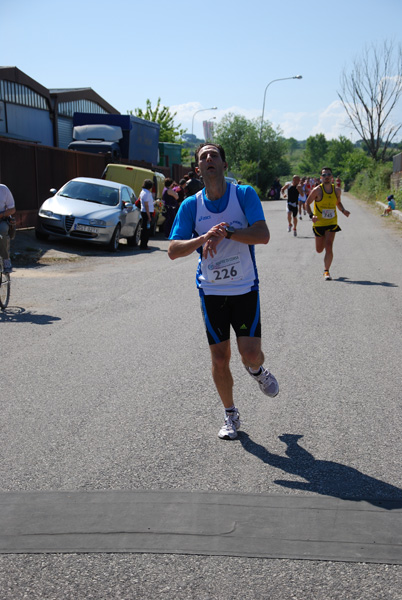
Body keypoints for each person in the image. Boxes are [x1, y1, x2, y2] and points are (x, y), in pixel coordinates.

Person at [168, 143, 279, 441]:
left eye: (214, 155)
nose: (208, 159)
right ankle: (230, 414)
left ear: (224, 165)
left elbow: (263, 235)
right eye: (203, 157)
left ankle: (258, 372)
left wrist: (227, 232)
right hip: (211, 290)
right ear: (197, 170)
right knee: (220, 358)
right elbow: (173, 250)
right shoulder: (191, 205)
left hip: (244, 287)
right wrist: (203, 237)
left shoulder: (243, 195)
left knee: (250, 354)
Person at [306, 167, 350, 280]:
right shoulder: (317, 190)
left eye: (328, 175)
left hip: (331, 222)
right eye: (324, 175)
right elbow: (307, 203)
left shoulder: (337, 191)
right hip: (319, 223)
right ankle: (324, 249)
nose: (326, 177)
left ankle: (326, 271)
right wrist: (312, 216)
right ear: (321, 178)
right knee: (319, 249)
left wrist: (343, 210)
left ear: (332, 177)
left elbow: (338, 203)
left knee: (329, 245)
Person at [0, 184, 16, 273]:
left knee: (2, 231)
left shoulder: (3, 189)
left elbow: (12, 209)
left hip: (2, 219)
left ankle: (6, 260)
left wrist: (2, 214)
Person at [139, 179, 154, 250]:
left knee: (145, 229)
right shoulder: (146, 193)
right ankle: (144, 245)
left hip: (145, 212)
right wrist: (149, 216)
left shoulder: (144, 192)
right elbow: (146, 205)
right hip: (146, 212)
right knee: (146, 230)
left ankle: (143, 244)